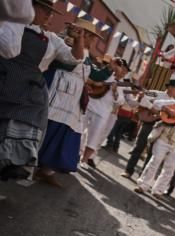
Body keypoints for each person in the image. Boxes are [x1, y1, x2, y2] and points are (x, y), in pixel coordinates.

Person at [0, 0, 83, 181]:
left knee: (27, 121)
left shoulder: (51, 39)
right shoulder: (12, 24)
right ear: (31, 7)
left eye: (50, 11)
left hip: (29, 89)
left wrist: (79, 40)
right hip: (4, 78)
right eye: (45, 9)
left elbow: (75, 58)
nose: (49, 15)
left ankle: (14, 162)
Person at [35, 18, 98, 186]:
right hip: (59, 89)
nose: (93, 40)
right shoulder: (66, 44)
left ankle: (47, 168)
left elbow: (92, 75)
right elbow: (67, 64)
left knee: (67, 130)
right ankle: (33, 162)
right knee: (48, 123)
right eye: (91, 36)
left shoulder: (87, 55)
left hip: (73, 97)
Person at [120, 80, 175, 179]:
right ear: (170, 87)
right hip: (149, 122)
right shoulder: (155, 93)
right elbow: (142, 99)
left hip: (161, 127)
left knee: (152, 152)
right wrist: (153, 108)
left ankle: (142, 176)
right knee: (139, 146)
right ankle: (128, 170)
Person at [81, 56, 129, 169]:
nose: (122, 72)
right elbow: (94, 80)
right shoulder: (106, 74)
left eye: (124, 71)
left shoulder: (122, 84)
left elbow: (121, 101)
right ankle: (74, 154)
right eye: (121, 68)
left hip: (103, 112)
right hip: (89, 104)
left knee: (94, 138)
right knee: (78, 130)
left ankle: (84, 160)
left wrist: (115, 91)